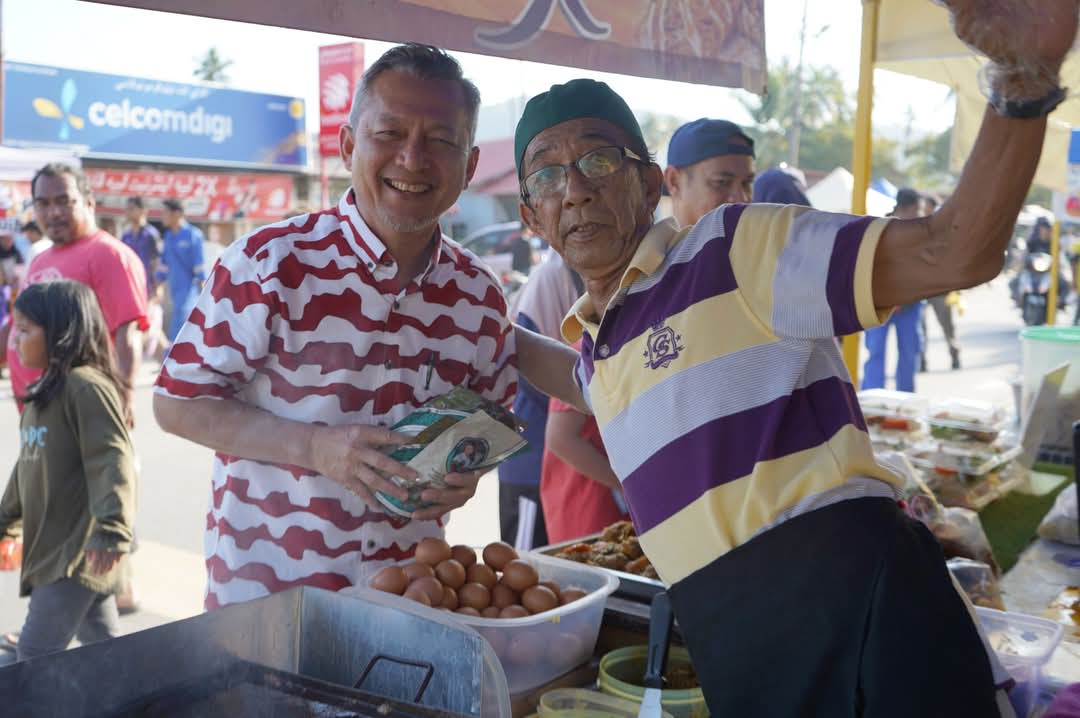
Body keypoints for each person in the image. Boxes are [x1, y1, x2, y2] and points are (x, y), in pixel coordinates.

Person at [510, 1, 1070, 710]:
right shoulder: (600, 344)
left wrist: (1022, 84)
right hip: (738, 641)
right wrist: (485, 329)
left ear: (650, 182)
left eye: (596, 159)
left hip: (860, 614)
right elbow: (588, 381)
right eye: (547, 178)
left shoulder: (734, 250)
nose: (576, 188)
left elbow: (953, 250)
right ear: (531, 215)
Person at [151, 43, 516, 610]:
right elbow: (176, 403)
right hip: (267, 608)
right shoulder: (269, 264)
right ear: (349, 146)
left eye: (441, 140)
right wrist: (317, 447)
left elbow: (480, 430)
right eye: (389, 133)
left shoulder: (481, 298)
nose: (413, 158)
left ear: (468, 167)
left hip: (411, 613)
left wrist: (460, 477)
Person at [0, 280, 137, 662]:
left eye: (25, 329)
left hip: (76, 554)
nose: (15, 340)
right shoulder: (44, 392)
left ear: (61, 331)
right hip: (58, 552)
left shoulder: (85, 387)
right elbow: (28, 464)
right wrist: (6, 519)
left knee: (34, 658)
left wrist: (111, 530)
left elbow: (111, 458)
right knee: (105, 654)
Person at [4, 164, 147, 425]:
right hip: (36, 413)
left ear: (89, 203)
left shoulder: (109, 255)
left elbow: (129, 331)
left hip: (78, 413)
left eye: (64, 201)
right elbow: (17, 325)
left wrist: (124, 396)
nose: (53, 212)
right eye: (43, 204)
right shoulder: (40, 260)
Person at [497, 249, 582, 549]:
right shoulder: (550, 277)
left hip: (570, 467)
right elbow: (528, 367)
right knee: (527, 566)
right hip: (531, 462)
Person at [540, 339, 626, 544]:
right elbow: (560, 438)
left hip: (618, 505)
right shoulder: (587, 352)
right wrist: (630, 485)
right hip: (591, 507)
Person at [860, 188, 927, 392]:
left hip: (910, 305)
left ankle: (905, 402)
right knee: (876, 352)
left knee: (909, 353)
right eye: (917, 209)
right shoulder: (878, 231)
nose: (919, 214)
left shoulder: (921, 234)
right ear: (907, 208)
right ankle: (872, 399)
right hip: (880, 303)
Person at [663, 118, 756, 228]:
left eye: (747, 183)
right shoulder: (648, 245)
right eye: (722, 182)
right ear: (674, 181)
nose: (742, 199)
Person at [920, 193, 963, 371]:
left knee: (946, 325)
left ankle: (954, 353)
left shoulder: (944, 228)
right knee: (920, 326)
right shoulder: (917, 226)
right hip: (920, 287)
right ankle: (921, 359)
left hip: (939, 287)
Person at [157, 198, 207, 343]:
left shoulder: (193, 234)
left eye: (165, 213)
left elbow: (199, 265)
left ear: (177, 214)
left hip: (190, 289)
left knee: (183, 324)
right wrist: (159, 284)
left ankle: (173, 360)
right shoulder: (168, 236)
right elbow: (164, 263)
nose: (162, 217)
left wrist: (204, 287)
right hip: (174, 288)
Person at [120, 197, 162, 297]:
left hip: (146, 287)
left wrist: (158, 287)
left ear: (143, 210)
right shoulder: (126, 235)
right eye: (127, 208)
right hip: (128, 286)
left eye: (132, 208)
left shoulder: (151, 235)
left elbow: (157, 261)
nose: (128, 212)